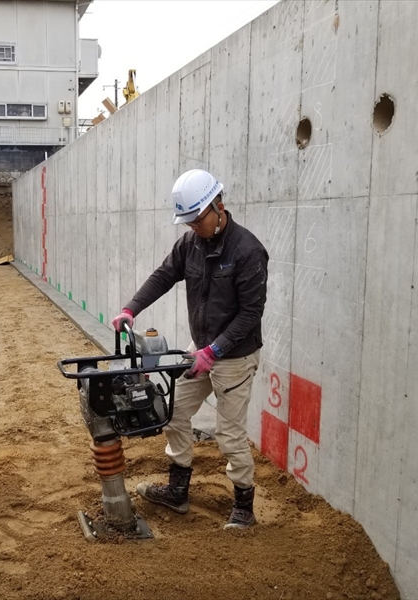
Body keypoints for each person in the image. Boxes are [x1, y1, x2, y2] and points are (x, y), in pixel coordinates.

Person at [111, 169, 268, 529]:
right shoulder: (190, 243)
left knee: (229, 435)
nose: (194, 226)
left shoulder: (248, 251)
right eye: (189, 221)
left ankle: (244, 504)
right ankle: (177, 490)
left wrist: (213, 352)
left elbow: (250, 314)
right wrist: (129, 309)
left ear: (219, 205)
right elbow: (164, 275)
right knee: (173, 412)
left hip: (234, 357)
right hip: (198, 349)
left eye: (198, 219)